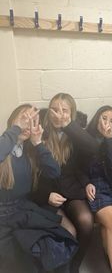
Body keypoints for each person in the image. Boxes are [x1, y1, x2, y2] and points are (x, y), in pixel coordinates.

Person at [0, 104, 77, 273]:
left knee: (57, 241)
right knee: (16, 258)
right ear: (13, 121)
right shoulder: (4, 144)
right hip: (3, 215)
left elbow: (54, 172)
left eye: (33, 121)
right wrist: (15, 130)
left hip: (24, 208)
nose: (28, 124)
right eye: (24, 119)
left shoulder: (30, 151)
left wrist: (37, 143)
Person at [34, 93, 99, 273]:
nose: (58, 114)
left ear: (72, 114)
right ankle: (64, 266)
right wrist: (45, 195)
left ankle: (75, 266)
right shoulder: (40, 131)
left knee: (86, 221)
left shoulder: (74, 132)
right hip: (48, 192)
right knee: (69, 231)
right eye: (54, 109)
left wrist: (68, 126)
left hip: (71, 189)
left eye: (64, 111)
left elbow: (94, 149)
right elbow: (33, 172)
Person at [84, 106, 112, 273]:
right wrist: (86, 182)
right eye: (104, 118)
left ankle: (110, 264)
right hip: (95, 189)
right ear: (97, 119)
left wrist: (109, 140)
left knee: (108, 227)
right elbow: (76, 168)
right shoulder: (85, 138)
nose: (107, 123)